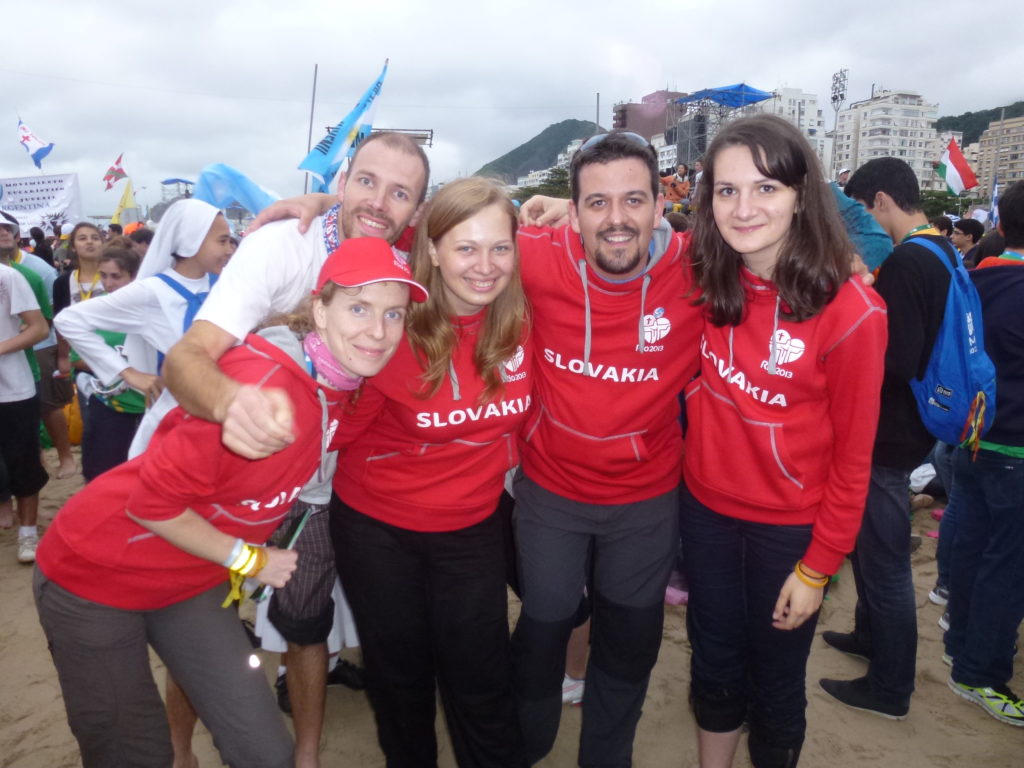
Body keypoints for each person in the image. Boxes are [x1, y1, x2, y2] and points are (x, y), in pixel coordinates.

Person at [33, 237, 426, 768]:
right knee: (135, 755)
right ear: (319, 310)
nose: (378, 331)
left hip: (191, 581)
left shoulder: (346, 387)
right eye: (359, 308)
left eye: (394, 314)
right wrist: (252, 560)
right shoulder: (263, 382)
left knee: (264, 751)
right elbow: (151, 504)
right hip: (96, 572)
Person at [162, 131, 429, 768]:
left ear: (417, 210)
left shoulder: (412, 257)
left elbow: (494, 233)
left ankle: (306, 754)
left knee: (308, 616)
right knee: (208, 619)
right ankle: (179, 753)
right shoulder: (282, 246)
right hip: (238, 461)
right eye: (366, 181)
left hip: (321, 480)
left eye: (400, 193)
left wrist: (555, 205)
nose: (379, 202)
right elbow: (188, 358)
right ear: (341, 181)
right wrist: (242, 413)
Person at [681, 115, 887, 767]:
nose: (744, 209)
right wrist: (559, 212)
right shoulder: (702, 279)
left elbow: (854, 462)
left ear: (801, 195)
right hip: (705, 514)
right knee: (713, 664)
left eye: (766, 188)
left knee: (774, 683)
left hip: (791, 532)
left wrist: (819, 566)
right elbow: (621, 241)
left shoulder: (853, 312)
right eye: (727, 190)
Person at [330, 176, 530, 767]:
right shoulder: (392, 325)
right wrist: (336, 375)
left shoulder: (523, 318)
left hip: (473, 525)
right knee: (401, 683)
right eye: (466, 248)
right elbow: (340, 434)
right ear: (433, 250)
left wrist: (562, 203)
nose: (485, 266)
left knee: (482, 681)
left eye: (499, 247)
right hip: (378, 529)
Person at [820, 157, 954, 721]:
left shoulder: (906, 263)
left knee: (885, 560)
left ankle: (890, 686)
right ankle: (868, 635)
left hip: (889, 432)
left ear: (878, 201)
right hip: (915, 426)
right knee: (872, 549)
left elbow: (894, 359)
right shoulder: (942, 251)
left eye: (860, 210)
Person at [55, 199, 235, 459]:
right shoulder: (152, 292)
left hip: (225, 414)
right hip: (178, 422)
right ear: (190, 241)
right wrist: (128, 373)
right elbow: (69, 320)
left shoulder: (223, 285)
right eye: (222, 241)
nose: (229, 249)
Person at [943, 180, 1024, 726]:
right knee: (1007, 566)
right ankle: (982, 673)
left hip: (970, 438)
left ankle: (961, 648)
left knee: (972, 548)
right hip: (1013, 445)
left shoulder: (972, 279)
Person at [67, 247, 146, 480]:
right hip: (110, 404)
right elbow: (76, 359)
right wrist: (120, 368)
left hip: (149, 405)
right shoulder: (94, 309)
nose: (109, 284)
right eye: (103, 275)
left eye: (116, 276)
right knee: (102, 474)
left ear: (134, 276)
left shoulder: (151, 308)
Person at [0, 262, 50, 556]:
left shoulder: (7, 277)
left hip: (12, 388)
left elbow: (40, 328)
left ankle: (28, 532)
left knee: (24, 464)